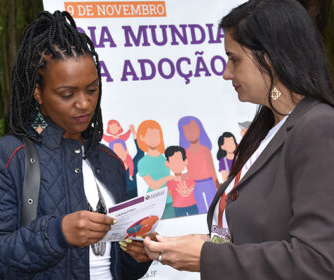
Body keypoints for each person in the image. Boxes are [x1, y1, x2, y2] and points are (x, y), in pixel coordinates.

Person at [142, 1, 334, 279]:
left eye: (234, 59)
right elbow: (257, 233)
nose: (226, 72)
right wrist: (195, 246)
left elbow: (317, 260)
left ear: (270, 57)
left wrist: (207, 257)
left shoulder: (318, 127)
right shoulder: (269, 127)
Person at [0, 11, 151, 279]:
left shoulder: (110, 162)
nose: (84, 103)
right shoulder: (3, 159)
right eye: (67, 94)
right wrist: (56, 234)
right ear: (38, 92)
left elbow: (118, 267)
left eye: (92, 90)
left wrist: (137, 256)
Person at [178, 116, 220, 214]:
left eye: (193, 129)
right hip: (195, 185)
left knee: (214, 208)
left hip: (209, 183)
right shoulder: (185, 152)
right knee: (200, 209)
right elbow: (189, 170)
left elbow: (212, 169)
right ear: (183, 134)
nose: (191, 133)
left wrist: (217, 185)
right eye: (187, 131)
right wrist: (185, 176)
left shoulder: (205, 150)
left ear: (199, 129)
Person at [137, 120, 175, 219]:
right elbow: (153, 185)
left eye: (156, 135)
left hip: (170, 200)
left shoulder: (163, 157)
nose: (154, 139)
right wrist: (168, 178)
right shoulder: (143, 162)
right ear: (142, 137)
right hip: (154, 203)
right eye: (150, 136)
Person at [164, 146, 198, 217]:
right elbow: (170, 193)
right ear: (167, 163)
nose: (176, 164)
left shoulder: (188, 177)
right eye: (173, 161)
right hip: (178, 207)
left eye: (179, 161)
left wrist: (188, 191)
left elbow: (193, 185)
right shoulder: (170, 182)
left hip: (192, 204)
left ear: (185, 161)